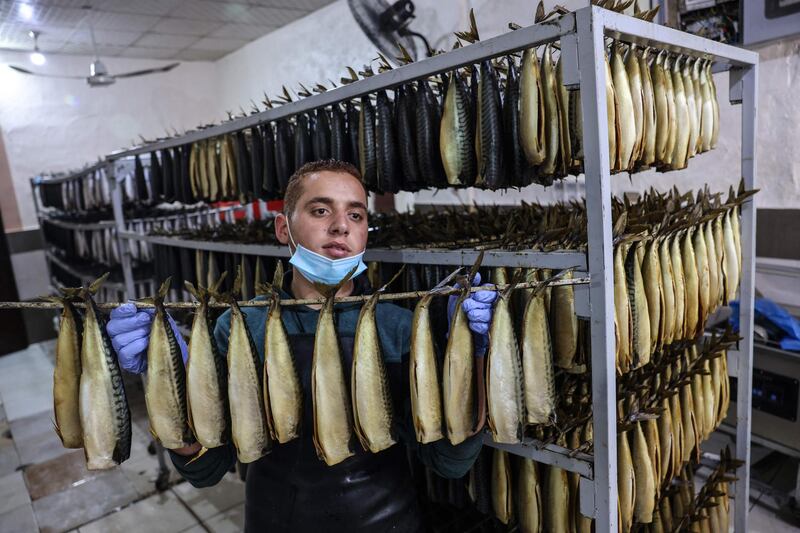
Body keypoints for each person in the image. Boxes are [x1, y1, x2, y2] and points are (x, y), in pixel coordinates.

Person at [106, 160, 497, 532]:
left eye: (356, 215)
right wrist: (174, 381)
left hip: (386, 522)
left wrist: (472, 357)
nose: (341, 226)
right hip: (276, 523)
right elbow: (207, 470)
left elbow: (449, 462)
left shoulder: (398, 326)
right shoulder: (243, 327)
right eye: (321, 211)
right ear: (283, 228)